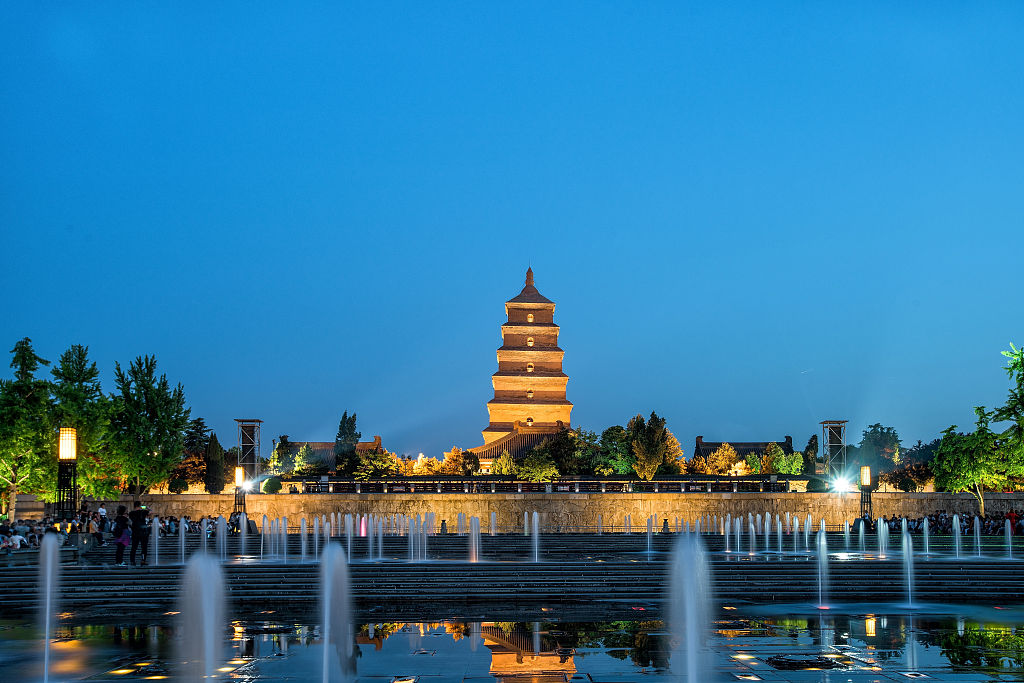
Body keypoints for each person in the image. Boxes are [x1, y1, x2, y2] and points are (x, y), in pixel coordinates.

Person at [128, 501, 150, 566]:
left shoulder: (131, 513)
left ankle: (132, 561)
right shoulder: (143, 512)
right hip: (143, 531)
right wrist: (145, 507)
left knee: (134, 547)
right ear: (140, 506)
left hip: (135, 531)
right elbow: (150, 511)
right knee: (144, 547)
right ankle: (143, 560)